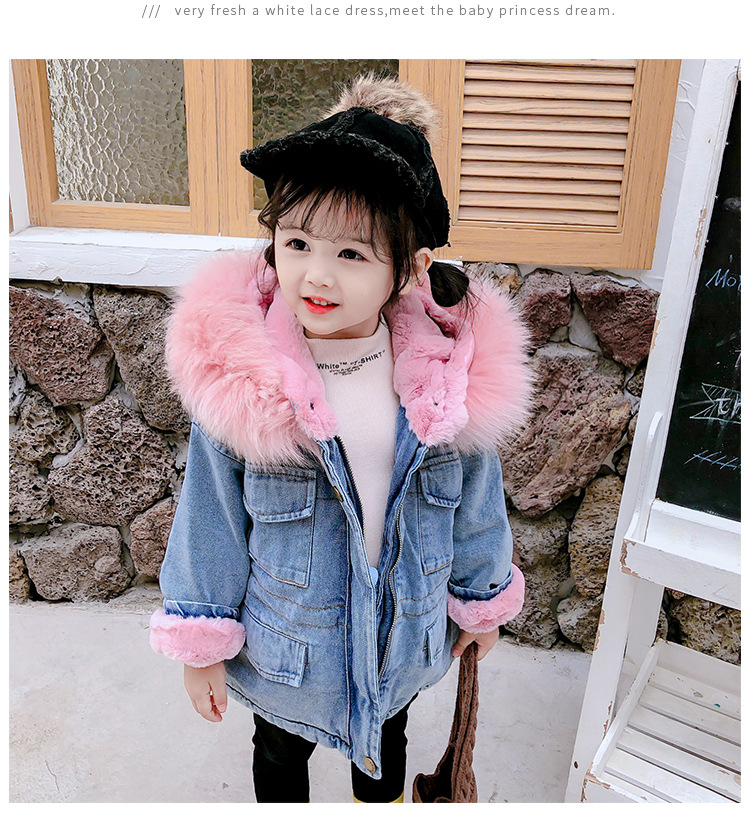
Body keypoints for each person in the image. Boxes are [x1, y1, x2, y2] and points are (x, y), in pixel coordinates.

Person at [149, 74, 532, 803]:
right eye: (296, 243)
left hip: (401, 639)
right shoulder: (245, 381)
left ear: (410, 268)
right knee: (278, 751)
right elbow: (209, 521)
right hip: (289, 650)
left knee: (385, 748)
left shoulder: (445, 380)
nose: (316, 276)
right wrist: (200, 641)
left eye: (353, 255)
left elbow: (477, 505)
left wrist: (482, 601)